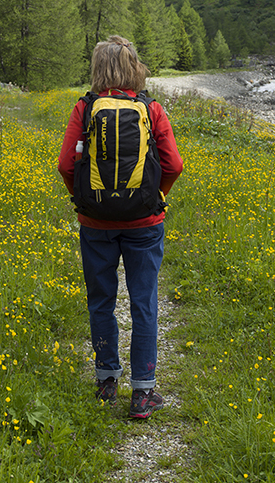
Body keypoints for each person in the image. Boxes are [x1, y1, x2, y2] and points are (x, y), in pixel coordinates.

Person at [57, 35, 183, 419]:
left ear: (98, 69)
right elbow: (174, 165)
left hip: (95, 222)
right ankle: (143, 393)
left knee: (102, 301)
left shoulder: (85, 107)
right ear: (134, 67)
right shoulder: (151, 109)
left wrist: (85, 199)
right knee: (144, 303)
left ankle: (106, 380)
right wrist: (154, 195)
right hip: (145, 222)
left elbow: (66, 165)